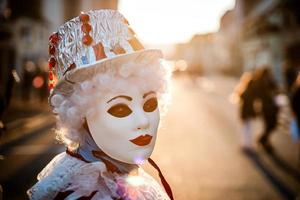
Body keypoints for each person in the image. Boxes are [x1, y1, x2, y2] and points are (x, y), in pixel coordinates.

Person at [27, 10, 173, 200]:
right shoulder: (79, 193)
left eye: (150, 104)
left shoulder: (129, 180)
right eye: (120, 108)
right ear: (81, 116)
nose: (143, 121)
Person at [254, 67, 279, 152]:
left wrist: (275, 91)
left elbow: (276, 89)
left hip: (273, 106)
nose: (269, 75)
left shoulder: (271, 81)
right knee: (268, 125)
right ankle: (265, 142)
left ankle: (263, 139)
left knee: (273, 125)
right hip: (265, 107)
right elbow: (257, 95)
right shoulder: (259, 82)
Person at [234, 72, 256, 151]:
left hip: (245, 110)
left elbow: (239, 98)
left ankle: (245, 144)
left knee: (245, 128)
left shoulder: (245, 89)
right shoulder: (252, 89)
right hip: (249, 111)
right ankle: (248, 144)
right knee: (248, 127)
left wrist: (239, 92)